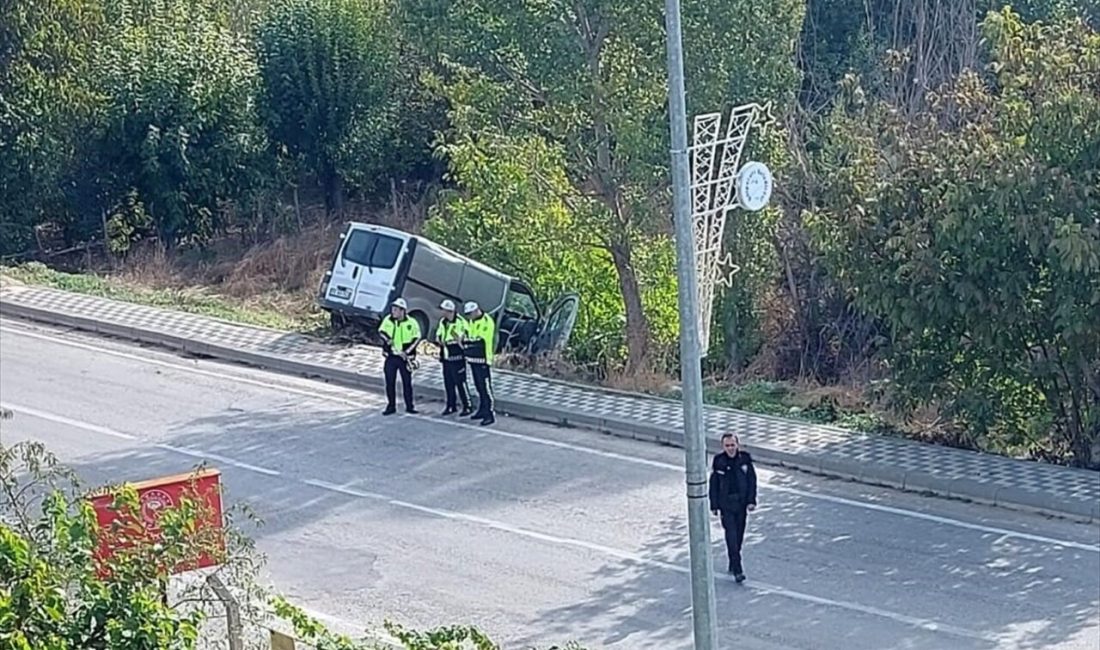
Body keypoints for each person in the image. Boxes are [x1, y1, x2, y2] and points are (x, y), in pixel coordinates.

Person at [709, 433, 757, 583]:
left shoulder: (744, 459)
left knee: (739, 535)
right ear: (723, 447)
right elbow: (714, 484)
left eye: (732, 445)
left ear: (737, 445)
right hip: (726, 505)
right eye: (727, 445)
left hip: (741, 504)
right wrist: (714, 505)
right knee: (731, 535)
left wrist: (751, 501)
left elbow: (751, 480)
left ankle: (733, 559)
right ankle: (738, 569)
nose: (730, 448)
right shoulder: (719, 461)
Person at [378, 297, 421, 416]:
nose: (393, 311)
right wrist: (388, 340)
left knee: (407, 382)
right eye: (393, 309)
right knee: (389, 381)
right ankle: (391, 406)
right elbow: (381, 331)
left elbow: (417, 338)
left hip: (405, 358)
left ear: (403, 311)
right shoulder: (389, 320)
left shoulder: (411, 323)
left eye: (396, 309)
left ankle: (410, 406)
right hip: (391, 356)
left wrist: (407, 352)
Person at [436, 299, 473, 416]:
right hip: (446, 355)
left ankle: (467, 406)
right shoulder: (443, 322)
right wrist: (439, 340)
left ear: (449, 311)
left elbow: (464, 337)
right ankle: (450, 405)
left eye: (444, 310)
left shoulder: (461, 322)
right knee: (448, 382)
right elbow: (439, 334)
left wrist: (458, 340)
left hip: (457, 357)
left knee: (460, 382)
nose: (442, 312)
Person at [462, 301, 495, 426]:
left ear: (477, 311)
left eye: (470, 314)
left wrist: (467, 342)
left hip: (483, 359)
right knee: (478, 386)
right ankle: (482, 409)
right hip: (473, 358)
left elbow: (480, 340)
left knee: (485, 387)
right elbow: (469, 336)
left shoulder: (486, 321)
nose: (469, 317)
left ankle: (490, 413)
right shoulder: (472, 321)